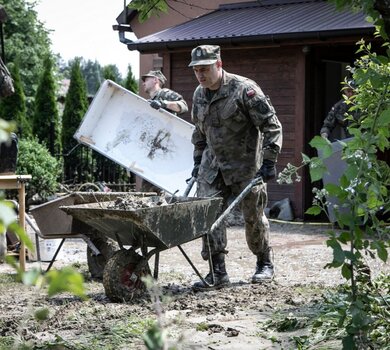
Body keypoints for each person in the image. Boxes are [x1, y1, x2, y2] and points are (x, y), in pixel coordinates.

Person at [188, 45, 283, 290]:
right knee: (209, 216)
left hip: (245, 167)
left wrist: (269, 160)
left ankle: (264, 262)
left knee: (253, 218)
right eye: (197, 70)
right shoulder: (199, 94)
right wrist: (198, 161)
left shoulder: (245, 90)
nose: (201, 75)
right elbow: (199, 133)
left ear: (219, 65)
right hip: (212, 168)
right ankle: (217, 272)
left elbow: (272, 127)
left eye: (205, 69)